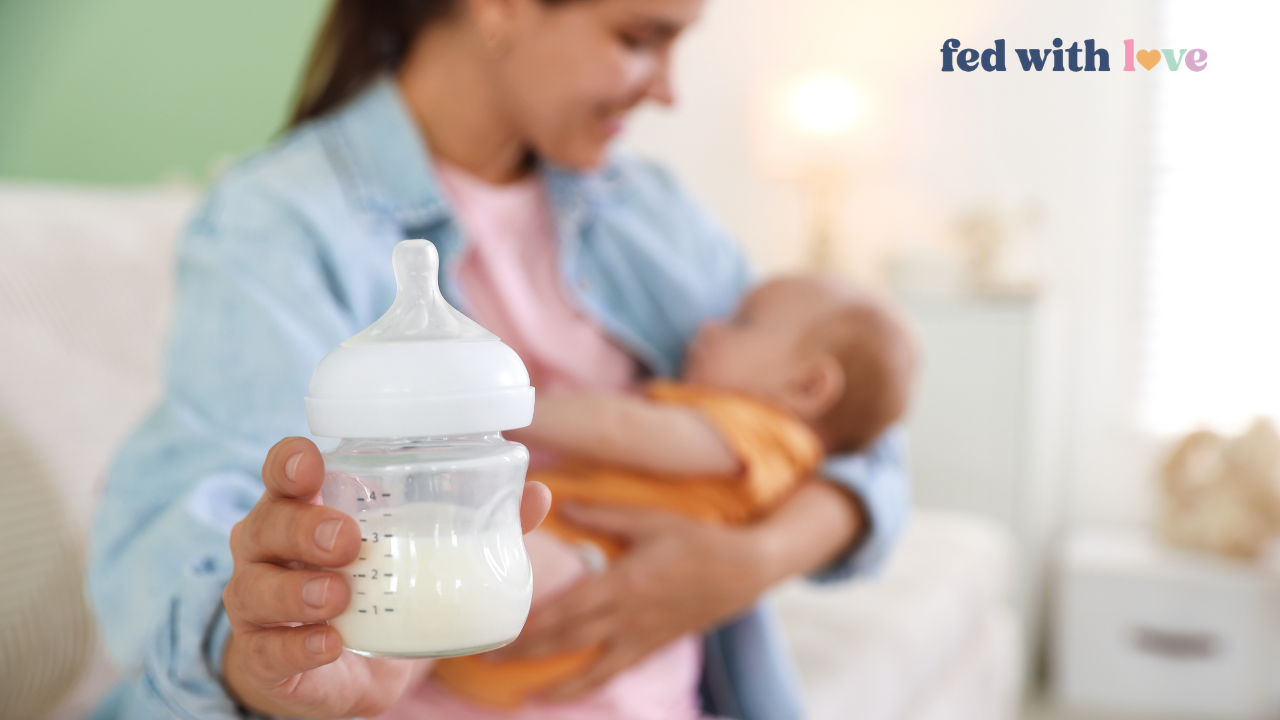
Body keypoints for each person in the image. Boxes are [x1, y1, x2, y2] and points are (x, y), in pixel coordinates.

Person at [88, 0, 911, 718]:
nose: (669, 90)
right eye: (638, 37)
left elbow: (853, 430)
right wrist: (276, 661)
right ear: (501, 6)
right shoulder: (279, 226)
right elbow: (194, 548)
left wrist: (746, 562)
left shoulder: (649, 212)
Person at [413, 275, 916, 716]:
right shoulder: (758, 440)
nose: (707, 328)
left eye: (742, 322)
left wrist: (492, 409)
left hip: (578, 585)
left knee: (465, 551)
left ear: (808, 386)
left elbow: (620, 429)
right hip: (544, 616)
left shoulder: (762, 435)